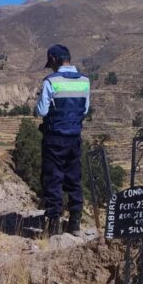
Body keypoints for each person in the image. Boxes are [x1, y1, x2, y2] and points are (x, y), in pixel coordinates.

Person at [35, 44, 90, 236]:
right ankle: (75, 222)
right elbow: (84, 111)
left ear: (53, 60)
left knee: (53, 178)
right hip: (74, 138)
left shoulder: (51, 81)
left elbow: (41, 111)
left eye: (50, 63)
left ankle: (53, 224)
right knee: (74, 178)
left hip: (54, 138)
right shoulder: (85, 81)